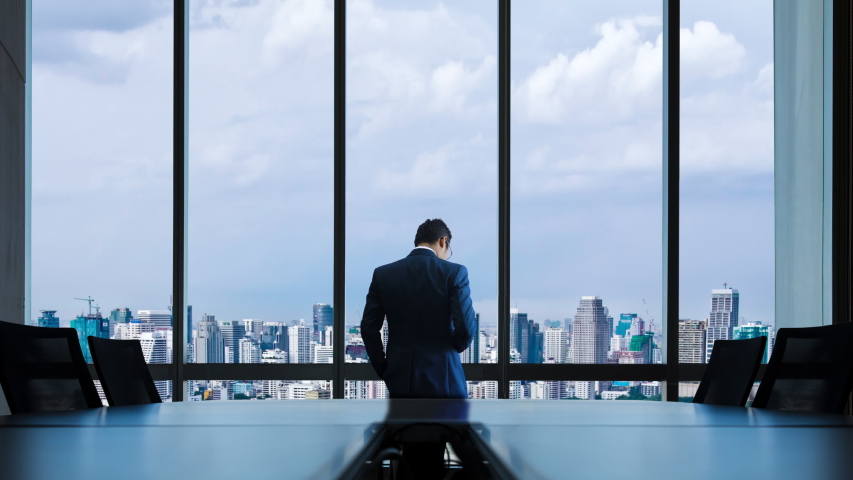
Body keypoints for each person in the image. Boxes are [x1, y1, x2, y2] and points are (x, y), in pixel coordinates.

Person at [361, 218, 477, 399]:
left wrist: (384, 367)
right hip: (445, 378)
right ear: (443, 241)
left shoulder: (383, 274)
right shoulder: (454, 273)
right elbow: (467, 328)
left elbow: (369, 328)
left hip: (399, 378)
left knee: (404, 419)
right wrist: (449, 350)